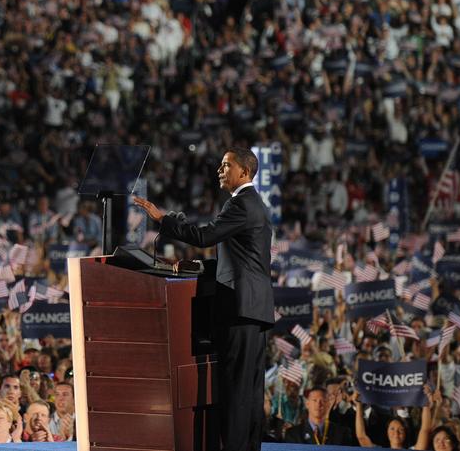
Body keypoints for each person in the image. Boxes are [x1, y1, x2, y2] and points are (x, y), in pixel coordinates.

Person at [135, 147, 274, 451]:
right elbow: (243, 258)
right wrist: (202, 267)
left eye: (226, 165)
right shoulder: (255, 204)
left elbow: (204, 237)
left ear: (244, 172)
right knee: (249, 390)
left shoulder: (240, 205)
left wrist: (165, 219)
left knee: (236, 391)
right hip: (255, 307)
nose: (220, 170)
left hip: (239, 308)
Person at [283, 387, 353, 446]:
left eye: (323, 401)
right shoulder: (293, 434)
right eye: (314, 400)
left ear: (329, 404)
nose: (318, 404)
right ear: (307, 404)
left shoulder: (342, 433)